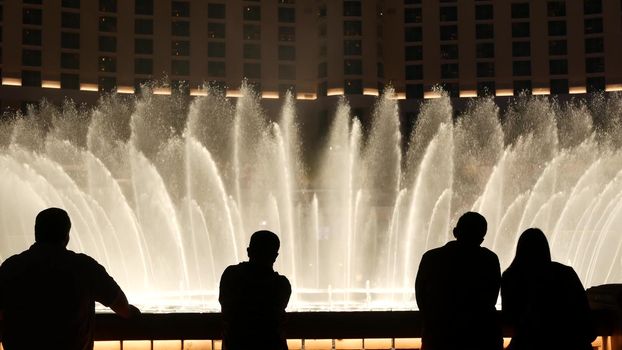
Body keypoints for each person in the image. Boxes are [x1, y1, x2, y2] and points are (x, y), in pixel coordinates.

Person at [0, 207, 139, 350]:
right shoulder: (85, 267)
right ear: (67, 236)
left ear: (36, 233)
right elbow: (121, 305)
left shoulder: (11, 268)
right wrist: (133, 314)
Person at [415, 211, 502, 350]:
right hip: (480, 337)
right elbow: (491, 298)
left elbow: (421, 297)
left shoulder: (431, 258)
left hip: (439, 337)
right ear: (481, 239)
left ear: (455, 232)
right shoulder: (489, 260)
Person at [501, 228, 595, 350]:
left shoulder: (510, 276)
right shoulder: (566, 273)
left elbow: (509, 319)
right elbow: (583, 312)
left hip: (528, 343)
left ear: (520, 249)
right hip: (569, 342)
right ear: (545, 248)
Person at [219, 230, 291, 350]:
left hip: (236, 344)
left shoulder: (231, 275)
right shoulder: (281, 284)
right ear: (275, 256)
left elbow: (228, 310)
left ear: (249, 251)